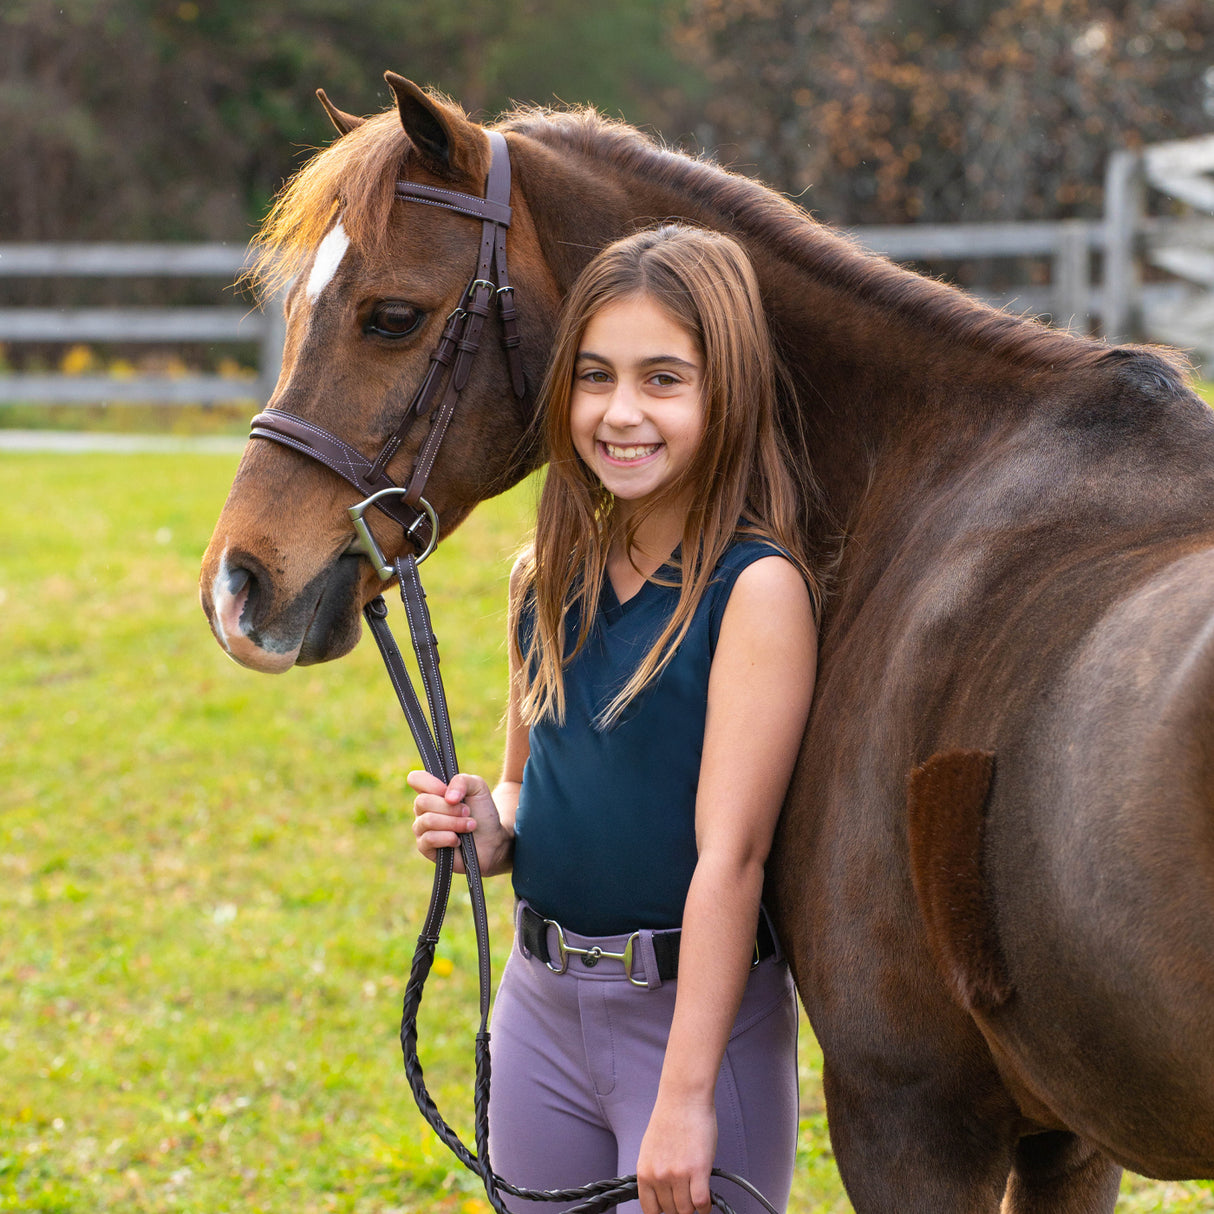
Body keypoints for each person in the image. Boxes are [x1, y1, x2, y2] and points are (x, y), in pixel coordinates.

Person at [408, 223, 821, 1214]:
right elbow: (520, 780)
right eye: (594, 376)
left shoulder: (753, 590)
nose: (620, 411)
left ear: (726, 393)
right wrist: (487, 824)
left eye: (662, 379)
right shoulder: (540, 581)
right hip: (539, 1010)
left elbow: (732, 858)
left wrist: (683, 1097)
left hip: (687, 1027)